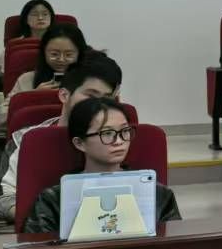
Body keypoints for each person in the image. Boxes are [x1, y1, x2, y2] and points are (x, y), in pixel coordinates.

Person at [0, 54, 122, 225]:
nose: (99, 105)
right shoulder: (26, 140)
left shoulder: (122, 140)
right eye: (91, 96)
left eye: (107, 98)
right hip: (43, 230)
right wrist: (46, 216)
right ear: (64, 95)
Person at [22, 98, 180, 234]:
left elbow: (173, 244)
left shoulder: (157, 193)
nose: (119, 141)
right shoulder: (53, 200)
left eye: (125, 131)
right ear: (80, 143)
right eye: (107, 133)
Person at [0, 22, 89, 124]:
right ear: (44, 52)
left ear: (79, 54)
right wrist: (32, 97)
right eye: (54, 54)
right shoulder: (27, 79)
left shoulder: (90, 80)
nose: (61, 59)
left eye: (69, 55)